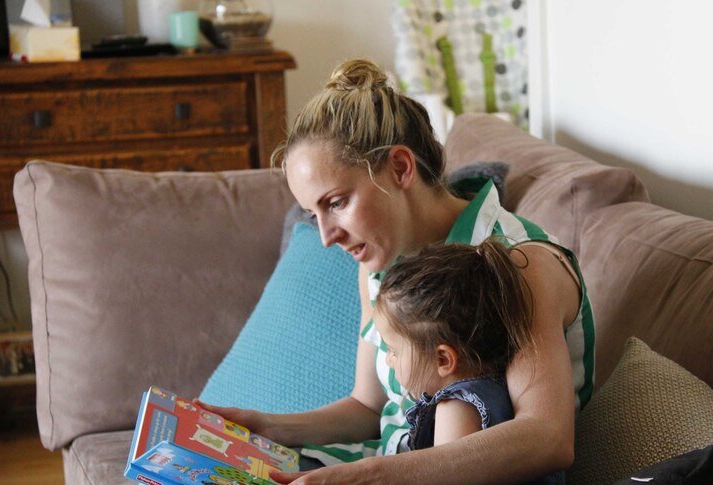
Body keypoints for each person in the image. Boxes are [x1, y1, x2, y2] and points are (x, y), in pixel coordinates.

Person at [198, 58, 594, 485]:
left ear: (401, 168)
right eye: (315, 215)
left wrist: (368, 476)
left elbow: (548, 437)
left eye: (336, 202)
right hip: (386, 461)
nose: (328, 237)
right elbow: (368, 409)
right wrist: (265, 427)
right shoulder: (378, 263)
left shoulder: (517, 263)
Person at [374, 238, 564, 485]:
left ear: (443, 358)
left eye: (393, 350)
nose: (389, 361)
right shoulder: (497, 389)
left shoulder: (456, 407)